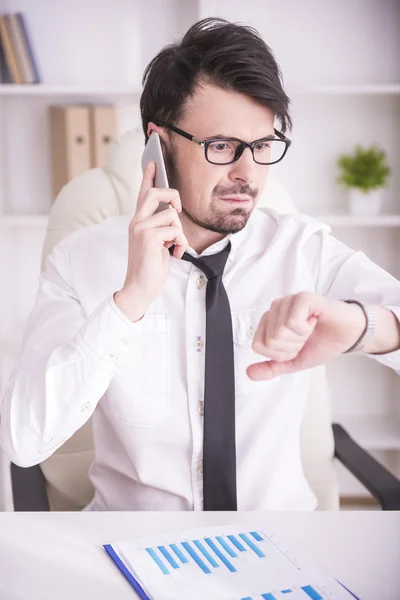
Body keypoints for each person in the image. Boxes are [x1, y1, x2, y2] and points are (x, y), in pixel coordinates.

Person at [1, 18, 399, 511]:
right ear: (159, 144)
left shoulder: (302, 248)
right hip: (132, 543)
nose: (247, 173)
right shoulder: (80, 262)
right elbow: (23, 439)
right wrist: (129, 304)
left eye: (262, 146)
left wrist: (363, 324)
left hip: (280, 543)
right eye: (222, 146)